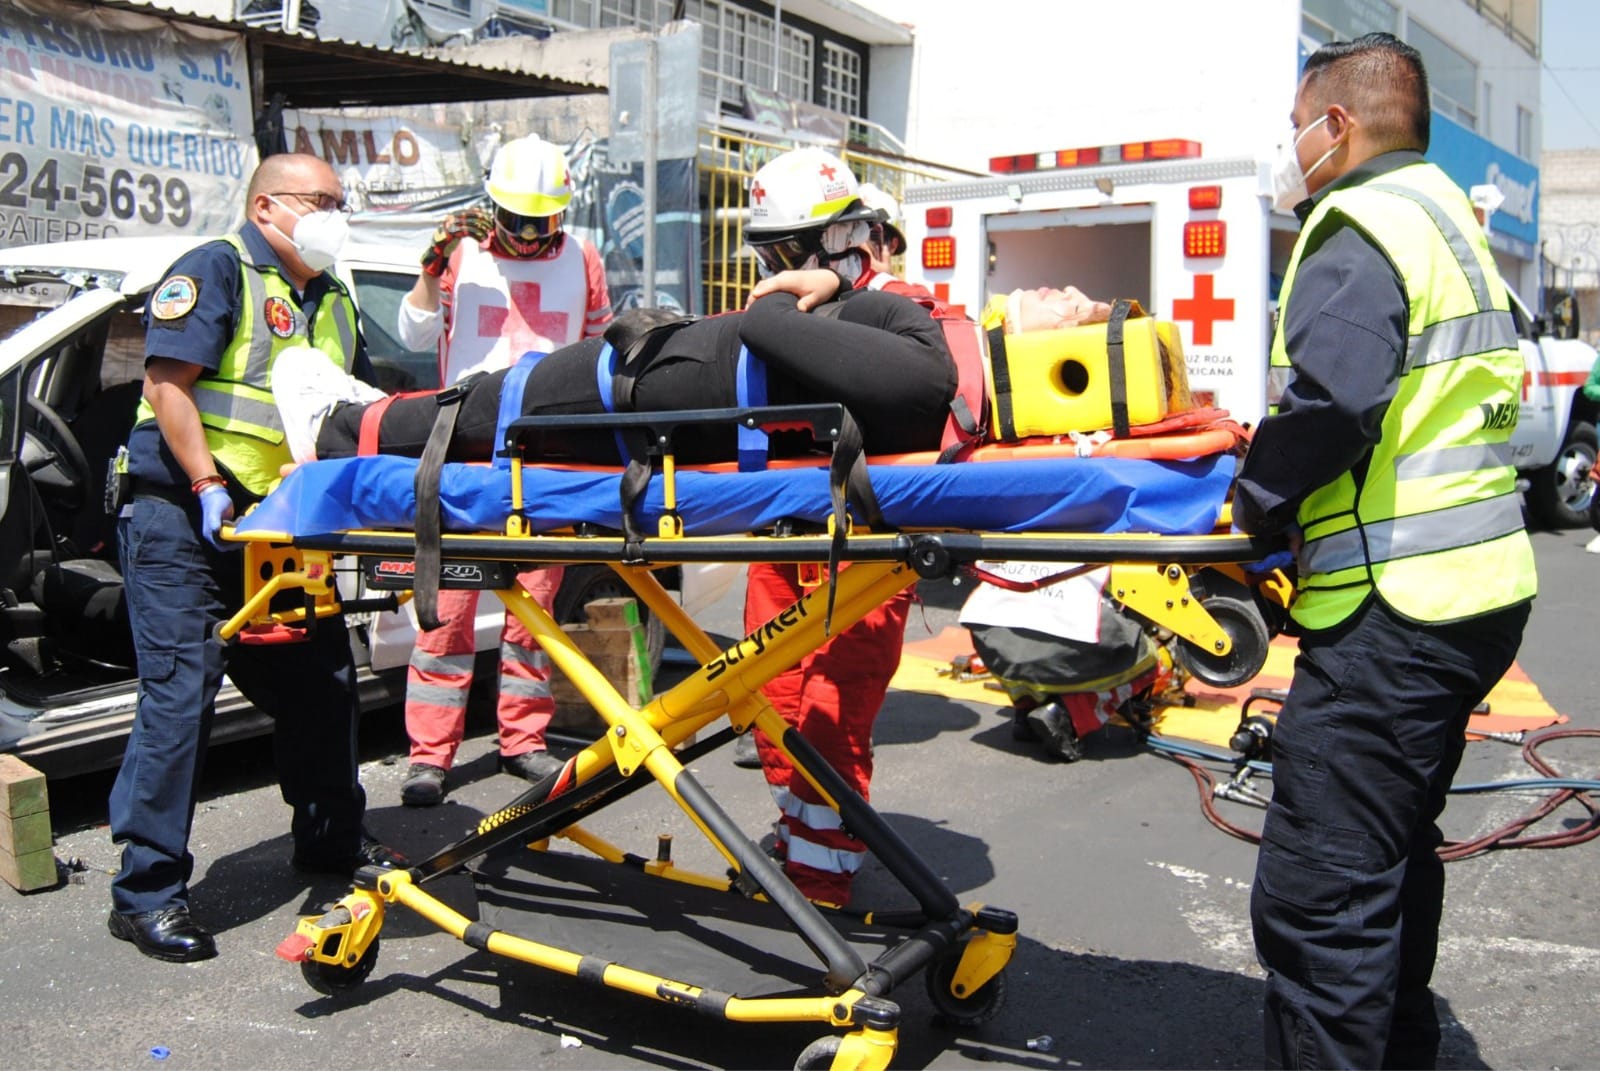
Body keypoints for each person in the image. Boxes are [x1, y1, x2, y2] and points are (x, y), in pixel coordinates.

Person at [1231, 34, 1536, 1069]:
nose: (1290, 152)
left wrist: (1250, 510)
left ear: (1336, 125)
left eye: (1293, 129)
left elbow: (1335, 403)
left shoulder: (1359, 224)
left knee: (1321, 894)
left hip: (1395, 610)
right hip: (1474, 591)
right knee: (1388, 855)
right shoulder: (1446, 216)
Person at [107, 153, 406, 964]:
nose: (336, 214)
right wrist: (206, 483)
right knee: (180, 695)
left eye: (343, 202)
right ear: (269, 206)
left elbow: (357, 414)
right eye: (324, 201)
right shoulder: (218, 268)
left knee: (322, 685)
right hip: (186, 517)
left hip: (281, 531)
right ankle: (145, 893)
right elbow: (169, 384)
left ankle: (332, 843)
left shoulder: (336, 298)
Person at [392, 135, 612, 807]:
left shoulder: (583, 258)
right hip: (463, 446)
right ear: (492, 208)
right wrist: (430, 268)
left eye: (542, 221)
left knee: (535, 610)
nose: (526, 234)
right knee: (447, 610)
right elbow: (414, 336)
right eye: (515, 220)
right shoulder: (461, 253)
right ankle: (429, 755)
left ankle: (523, 739)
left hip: (546, 449)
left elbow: (597, 347)